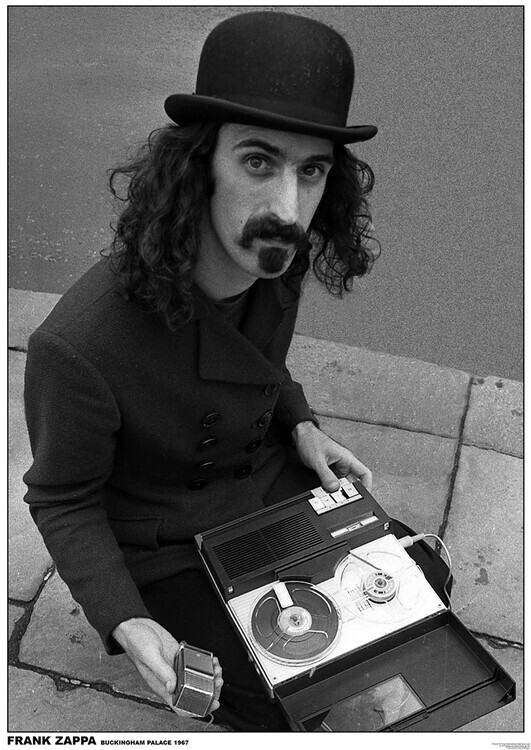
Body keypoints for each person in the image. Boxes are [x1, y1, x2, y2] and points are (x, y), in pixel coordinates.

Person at [23, 11, 447, 732]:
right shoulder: (78, 345)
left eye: (310, 171)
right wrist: (125, 620)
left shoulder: (274, 258)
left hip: (262, 487)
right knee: (282, 694)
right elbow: (63, 500)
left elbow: (256, 365)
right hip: (166, 542)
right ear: (199, 167)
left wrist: (301, 425)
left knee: (418, 591)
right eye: (258, 162)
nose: (287, 208)